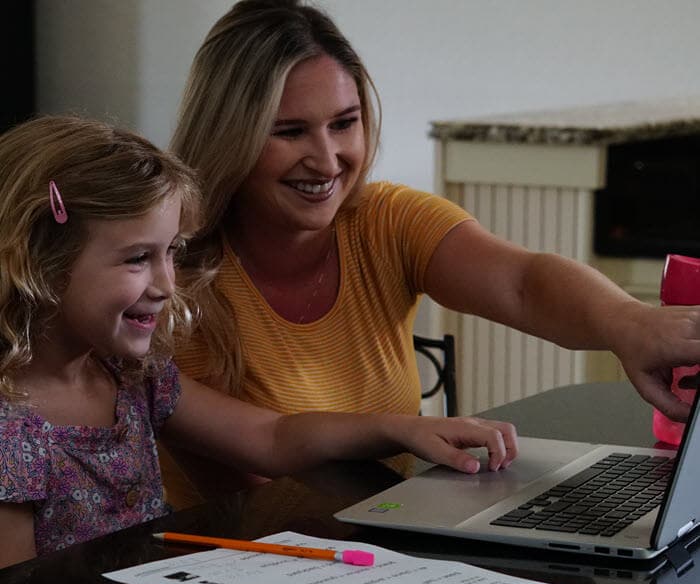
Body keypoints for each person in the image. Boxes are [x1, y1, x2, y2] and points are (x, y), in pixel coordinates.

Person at [164, 0, 700, 507]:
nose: (327, 161)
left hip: (381, 539)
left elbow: (523, 283)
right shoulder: (168, 278)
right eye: (289, 132)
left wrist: (628, 323)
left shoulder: (385, 220)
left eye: (344, 124)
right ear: (229, 134)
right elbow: (260, 485)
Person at [0, 115, 517, 569]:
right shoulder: (10, 430)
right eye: (138, 258)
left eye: (171, 253)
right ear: (40, 260)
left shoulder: (130, 377)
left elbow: (271, 438)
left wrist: (403, 428)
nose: (165, 284)